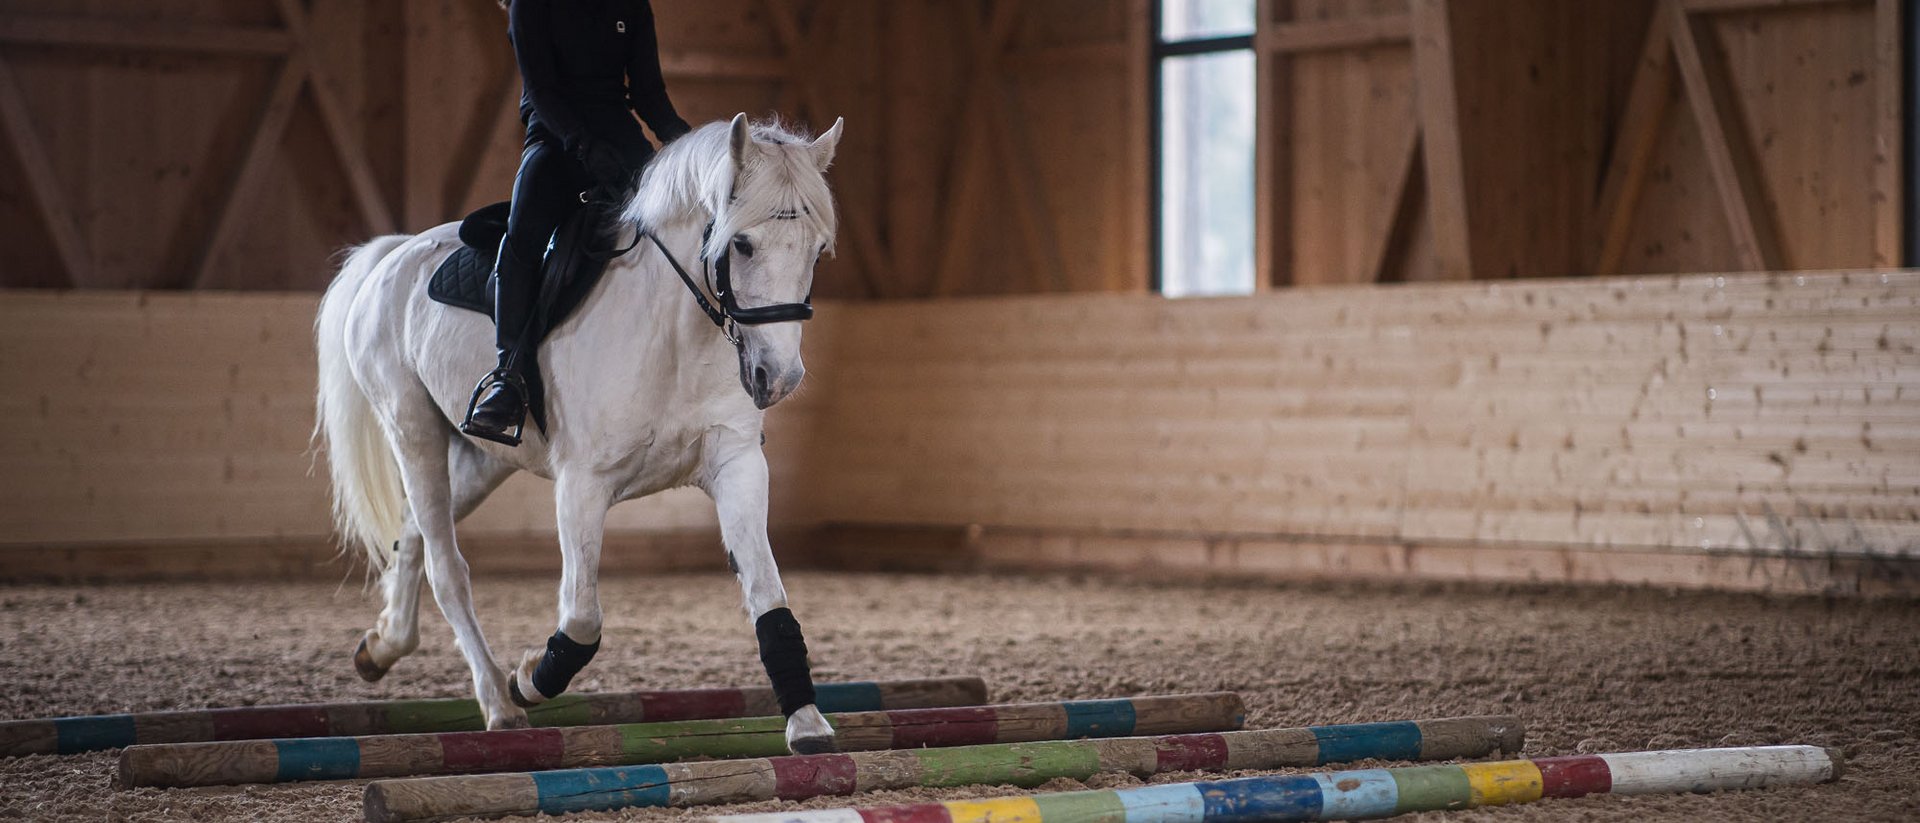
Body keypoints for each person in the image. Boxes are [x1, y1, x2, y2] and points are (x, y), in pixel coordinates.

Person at [463, 0, 692, 445]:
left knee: (680, 229)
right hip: (554, 136)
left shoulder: (632, 5)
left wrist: (693, 147)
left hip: (620, 137)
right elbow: (542, 90)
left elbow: (649, 94)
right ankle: (509, 377)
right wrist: (583, 146)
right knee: (523, 240)